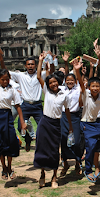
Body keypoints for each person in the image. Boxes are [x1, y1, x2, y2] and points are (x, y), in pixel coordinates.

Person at [34, 52, 73, 189]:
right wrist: (40, 61)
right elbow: (39, 76)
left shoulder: (64, 93)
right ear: (48, 85)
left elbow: (67, 110)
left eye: (55, 82)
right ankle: (43, 174)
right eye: (50, 83)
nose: (53, 84)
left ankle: (54, 177)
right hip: (45, 123)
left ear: (58, 82)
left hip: (56, 124)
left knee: (54, 151)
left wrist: (70, 126)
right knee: (42, 149)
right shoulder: (46, 91)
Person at [0, 43, 26, 180]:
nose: (5, 81)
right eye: (2, 80)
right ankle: (3, 168)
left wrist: (22, 122)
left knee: (10, 141)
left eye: (7, 79)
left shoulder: (12, 89)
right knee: (0, 141)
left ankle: (10, 166)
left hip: (7, 115)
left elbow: (18, 106)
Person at [72, 59, 100, 183]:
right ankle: (88, 170)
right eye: (93, 86)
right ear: (89, 87)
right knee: (90, 147)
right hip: (86, 124)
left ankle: (96, 144)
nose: (95, 88)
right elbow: (80, 82)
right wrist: (77, 70)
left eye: (98, 86)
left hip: (96, 123)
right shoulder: (86, 95)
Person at [5, 55, 47, 151]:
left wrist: (47, 61)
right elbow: (6, 72)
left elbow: (51, 71)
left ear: (36, 65)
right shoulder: (21, 75)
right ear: (25, 66)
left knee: (43, 126)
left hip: (37, 105)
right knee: (20, 126)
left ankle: (41, 145)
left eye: (32, 64)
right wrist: (1, 59)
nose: (30, 66)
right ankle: (27, 139)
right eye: (28, 64)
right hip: (25, 105)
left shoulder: (40, 75)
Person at [59, 73, 83, 177]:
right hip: (63, 117)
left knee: (76, 141)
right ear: (65, 81)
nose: (70, 82)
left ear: (75, 81)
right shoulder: (61, 89)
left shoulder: (78, 90)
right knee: (63, 141)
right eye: (67, 80)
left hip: (75, 117)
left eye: (72, 80)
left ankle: (78, 162)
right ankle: (65, 163)